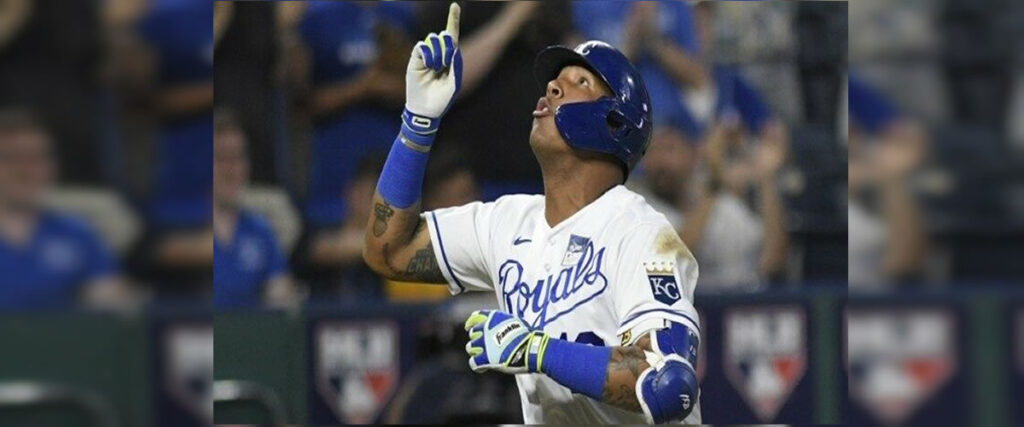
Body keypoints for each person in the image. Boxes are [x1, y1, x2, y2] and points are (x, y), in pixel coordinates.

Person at [363, 5, 701, 424]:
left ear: (616, 123)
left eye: (580, 82)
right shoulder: (507, 223)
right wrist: (418, 122)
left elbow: (669, 386)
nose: (553, 87)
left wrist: (538, 350)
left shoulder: (641, 233)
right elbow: (388, 250)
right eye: (555, 81)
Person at [0, 109, 133, 310]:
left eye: (37, 158)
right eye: (11, 158)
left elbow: (107, 300)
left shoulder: (76, 232)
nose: (25, 169)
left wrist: (117, 300)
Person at [212, 109, 302, 309]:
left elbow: (279, 290)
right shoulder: (185, 227)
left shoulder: (260, 230)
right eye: (221, 158)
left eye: (238, 157)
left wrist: (286, 298)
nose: (230, 169)